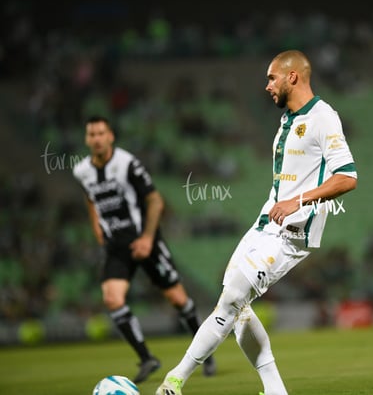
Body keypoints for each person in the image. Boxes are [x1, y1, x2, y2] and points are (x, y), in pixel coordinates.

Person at [155, 49, 358, 395]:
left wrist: (298, 200)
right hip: (265, 224)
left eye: (271, 77)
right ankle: (275, 391)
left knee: (232, 297)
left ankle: (174, 381)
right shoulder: (287, 120)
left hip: (293, 233)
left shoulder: (323, 117)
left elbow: (348, 177)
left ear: (292, 76)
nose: (267, 85)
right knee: (235, 305)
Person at [72, 115, 216, 383]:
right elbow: (90, 200)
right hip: (116, 246)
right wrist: (97, 230)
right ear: (86, 139)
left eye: (101, 133)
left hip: (144, 241)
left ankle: (206, 353)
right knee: (112, 298)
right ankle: (147, 358)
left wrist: (148, 238)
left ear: (110, 136)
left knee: (178, 300)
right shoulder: (82, 171)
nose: (96, 139)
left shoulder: (127, 164)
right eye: (91, 134)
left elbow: (155, 200)